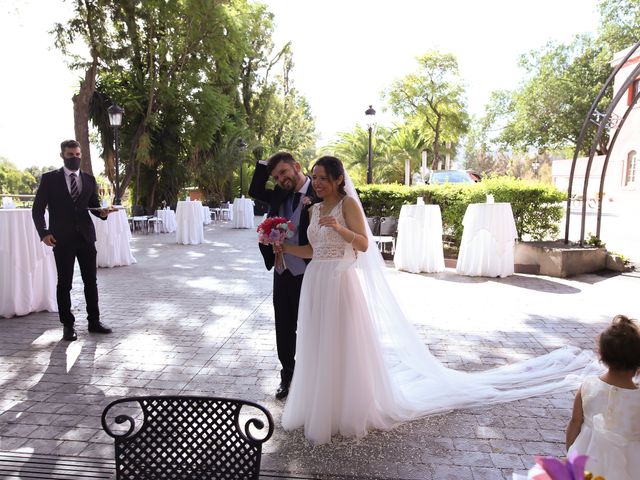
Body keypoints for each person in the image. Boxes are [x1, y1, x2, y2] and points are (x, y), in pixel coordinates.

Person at [278, 155, 601, 445]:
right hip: (316, 281)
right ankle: (315, 406)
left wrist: (340, 228)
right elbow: (313, 251)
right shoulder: (313, 208)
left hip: (340, 282)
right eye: (315, 177)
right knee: (317, 344)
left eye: (323, 178)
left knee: (340, 345)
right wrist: (285, 248)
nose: (317, 183)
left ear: (337, 180)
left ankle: (341, 411)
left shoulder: (345, 205)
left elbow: (363, 245)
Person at [32, 139, 116, 341]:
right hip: (62, 239)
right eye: (71, 155)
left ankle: (94, 322)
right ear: (62, 155)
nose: (75, 158)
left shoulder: (88, 179)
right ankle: (68, 325)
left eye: (78, 155)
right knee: (65, 283)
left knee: (91, 282)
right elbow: (37, 210)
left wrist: (103, 213)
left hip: (86, 237)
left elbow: (93, 206)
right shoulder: (49, 179)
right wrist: (44, 233)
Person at [248, 151, 316, 399]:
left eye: (284, 172)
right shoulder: (279, 193)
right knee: (283, 328)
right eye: (276, 176)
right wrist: (266, 164)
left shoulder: (318, 192)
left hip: (309, 272)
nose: (280, 179)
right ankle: (288, 376)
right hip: (281, 270)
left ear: (297, 166)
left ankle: (311, 377)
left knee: (310, 326)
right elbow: (254, 190)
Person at [566, 315, 640, 480]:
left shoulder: (588, 386)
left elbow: (575, 422)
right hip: (631, 464)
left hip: (586, 456)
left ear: (601, 354)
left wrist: (571, 450)